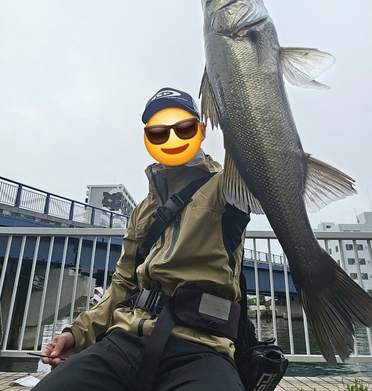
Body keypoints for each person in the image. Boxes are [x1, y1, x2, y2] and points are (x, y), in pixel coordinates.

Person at [34, 87, 250, 391]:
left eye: (184, 128)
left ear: (200, 132)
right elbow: (122, 284)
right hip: (122, 342)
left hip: (201, 345)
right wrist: (76, 334)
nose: (172, 138)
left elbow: (256, 145)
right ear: (149, 139)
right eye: (159, 132)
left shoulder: (228, 184)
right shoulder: (143, 210)